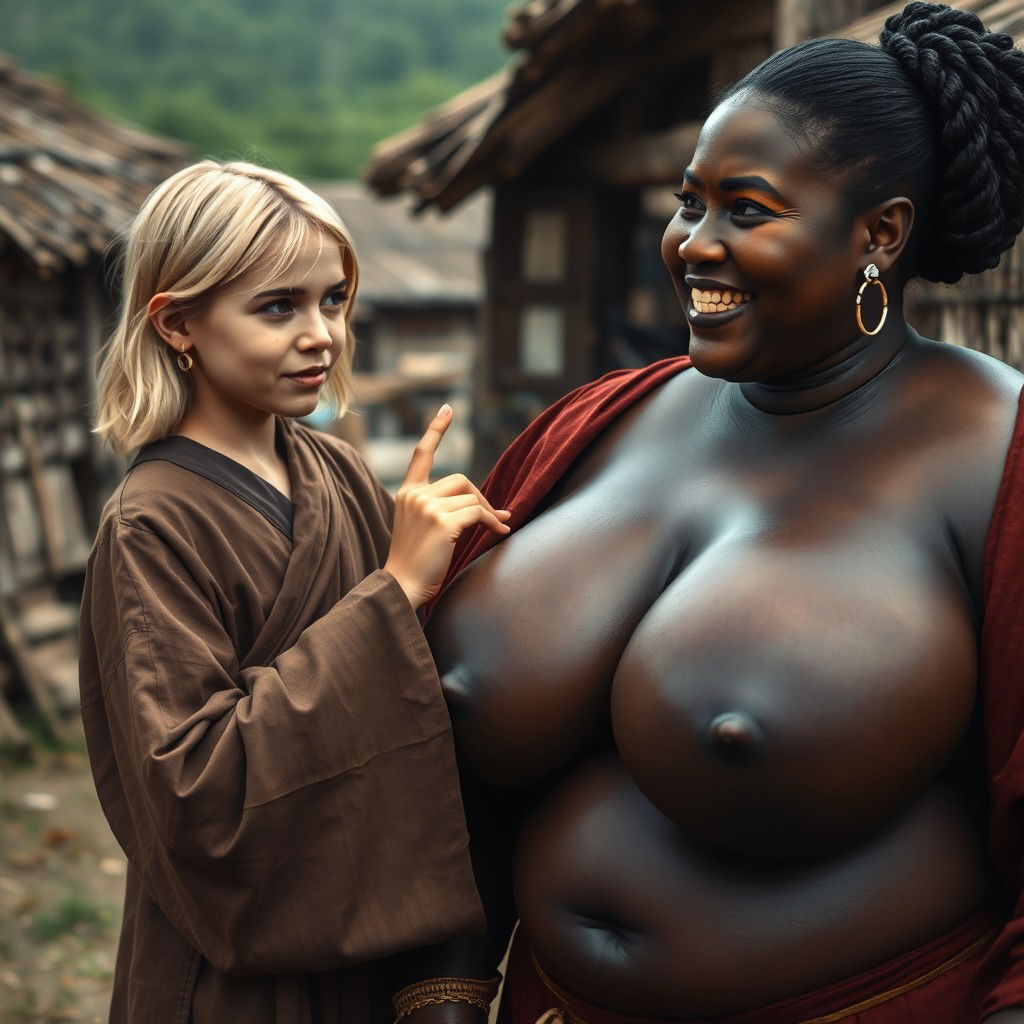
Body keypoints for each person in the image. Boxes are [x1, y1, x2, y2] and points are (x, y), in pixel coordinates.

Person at [395, 4, 1024, 1023]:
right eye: (688, 201)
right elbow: (455, 772)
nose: (692, 243)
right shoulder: (593, 426)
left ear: (879, 234)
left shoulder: (996, 459)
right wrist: (444, 993)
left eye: (747, 208)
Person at [79, 159, 511, 1023]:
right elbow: (199, 794)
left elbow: (405, 693)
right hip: (232, 977)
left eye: (333, 301)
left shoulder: (331, 469)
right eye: (278, 307)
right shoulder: (151, 523)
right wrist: (393, 591)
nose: (322, 335)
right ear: (178, 324)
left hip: (363, 927)